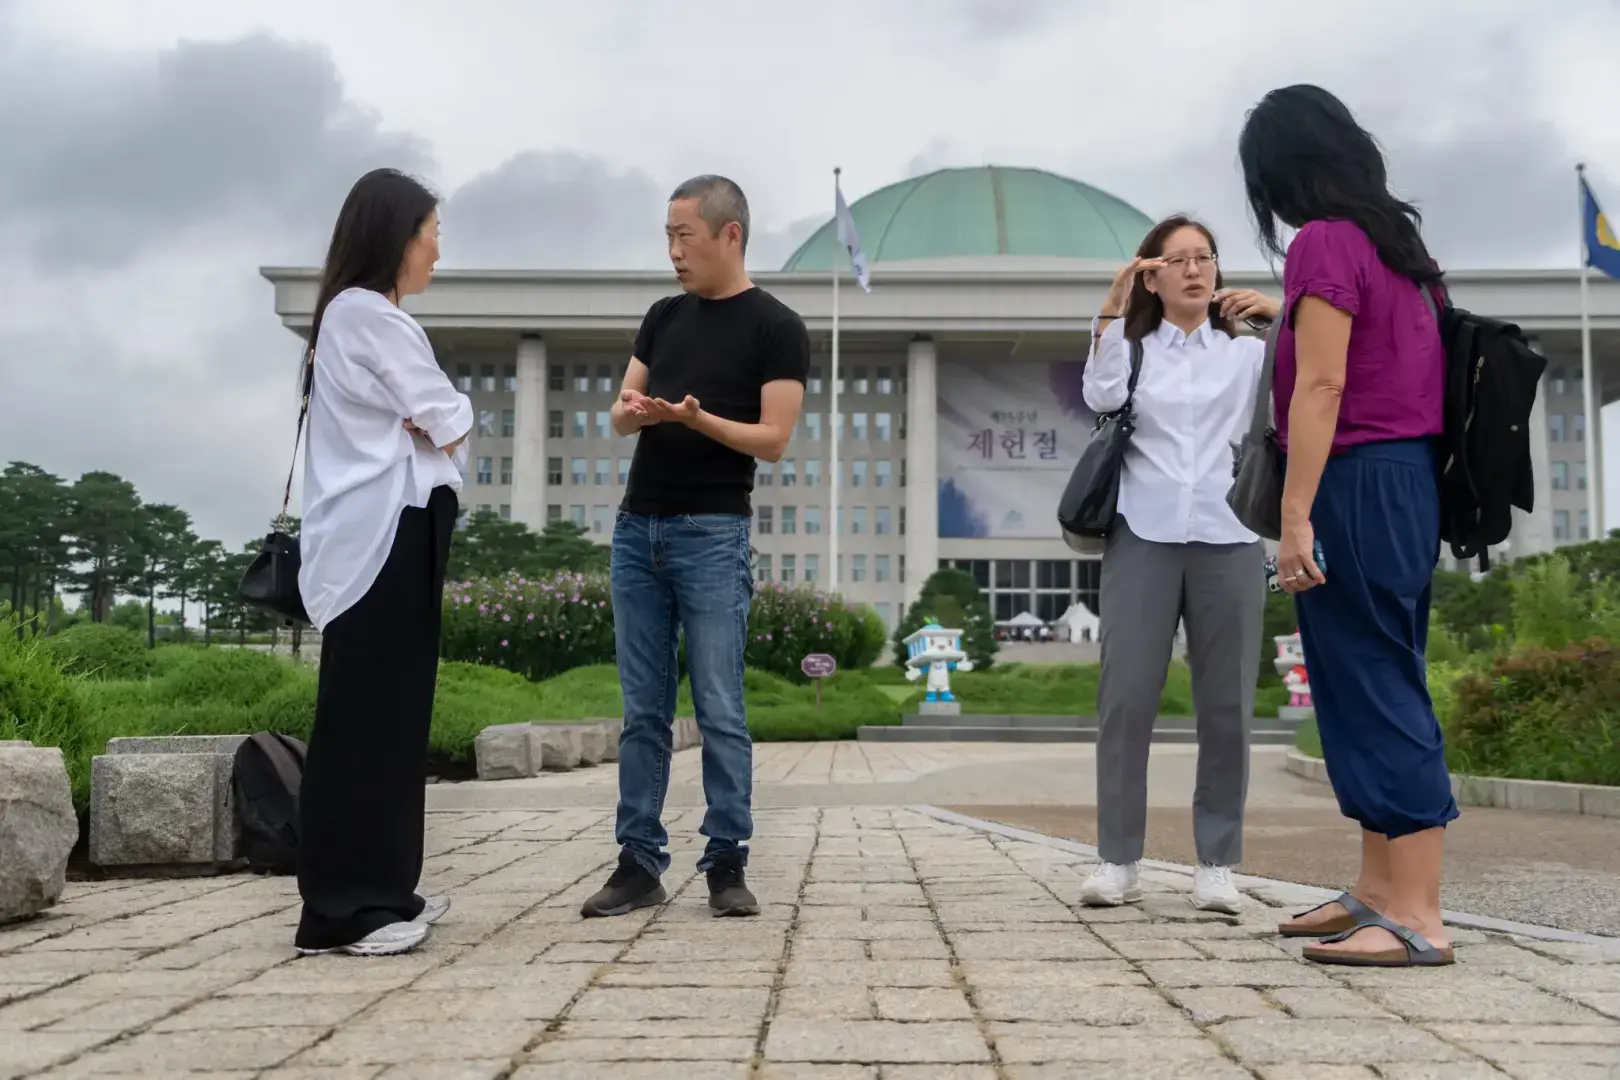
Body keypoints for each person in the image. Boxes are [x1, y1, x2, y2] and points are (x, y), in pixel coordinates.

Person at [1240, 84, 1458, 967]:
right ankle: (1377, 890)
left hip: (1354, 481)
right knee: (1366, 677)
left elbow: (1322, 388)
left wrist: (1294, 517)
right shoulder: (1401, 250)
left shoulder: (1324, 242)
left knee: (1375, 684)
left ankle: (1419, 917)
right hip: (1402, 480)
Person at [581, 175, 809, 919]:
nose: (674, 251)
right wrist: (641, 413)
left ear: (730, 235)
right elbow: (620, 415)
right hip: (636, 529)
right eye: (667, 237)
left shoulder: (776, 326)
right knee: (643, 710)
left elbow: (773, 441)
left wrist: (697, 420)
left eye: (686, 236)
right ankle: (638, 861)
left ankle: (726, 862)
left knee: (719, 705)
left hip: (713, 534)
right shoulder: (663, 317)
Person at [293, 168, 471, 957]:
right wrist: (436, 417)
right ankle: (346, 910)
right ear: (397, 238)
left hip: (394, 530)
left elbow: (432, 420)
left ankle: (385, 890)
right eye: (431, 233)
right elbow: (450, 413)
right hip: (381, 537)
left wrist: (429, 421)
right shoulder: (367, 316)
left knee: (390, 718)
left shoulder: (364, 316)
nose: (437, 249)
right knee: (369, 719)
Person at [1079, 214, 1278, 914]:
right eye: (1179, 259)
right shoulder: (1133, 349)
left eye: (1206, 258)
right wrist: (1110, 306)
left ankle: (1217, 862)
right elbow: (1099, 397)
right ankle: (1117, 860)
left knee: (1226, 706)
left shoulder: (1249, 355)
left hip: (1230, 534)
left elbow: (1313, 371)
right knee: (1126, 701)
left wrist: (1279, 314)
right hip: (1143, 531)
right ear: (1152, 275)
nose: (1196, 269)